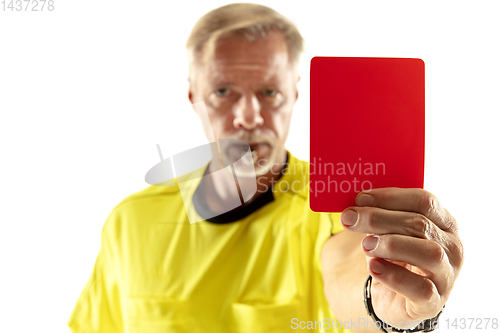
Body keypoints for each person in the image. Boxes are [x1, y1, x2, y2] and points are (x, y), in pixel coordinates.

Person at [67, 3, 464, 333]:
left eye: (269, 92)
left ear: (293, 95)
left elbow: (346, 266)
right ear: (194, 95)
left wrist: (382, 306)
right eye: (223, 91)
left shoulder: (338, 203)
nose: (248, 115)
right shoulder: (130, 221)